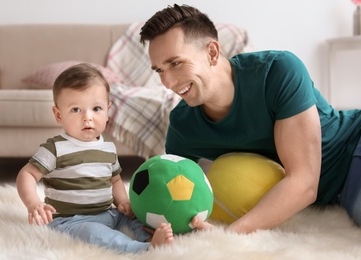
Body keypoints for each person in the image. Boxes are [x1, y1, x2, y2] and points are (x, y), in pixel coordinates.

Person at [139, 4, 361, 234]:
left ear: (212, 52)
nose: (167, 83)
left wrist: (228, 236)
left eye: (176, 63)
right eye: (159, 70)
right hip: (332, 199)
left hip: (353, 153)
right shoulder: (183, 125)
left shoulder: (278, 71)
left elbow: (304, 183)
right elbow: (170, 189)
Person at [16, 63, 174, 253]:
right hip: (70, 220)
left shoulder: (108, 148)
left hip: (107, 212)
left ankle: (149, 236)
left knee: (136, 216)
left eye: (96, 109)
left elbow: (115, 180)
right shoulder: (56, 148)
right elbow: (27, 174)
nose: (87, 117)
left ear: (108, 111)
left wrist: (123, 202)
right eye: (76, 110)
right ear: (59, 115)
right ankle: (140, 249)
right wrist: (33, 203)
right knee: (95, 233)